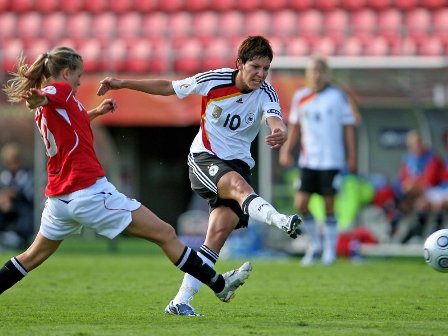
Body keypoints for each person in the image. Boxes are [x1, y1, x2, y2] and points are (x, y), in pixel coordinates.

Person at [0, 47, 252, 307]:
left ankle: (219, 285)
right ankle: (220, 286)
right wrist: (36, 99)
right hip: (88, 192)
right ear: (65, 72)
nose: (79, 81)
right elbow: (46, 95)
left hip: (58, 200)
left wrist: (96, 112)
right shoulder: (60, 90)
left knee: (30, 257)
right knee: (165, 233)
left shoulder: (63, 104)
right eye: (78, 75)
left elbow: (70, 122)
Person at [97, 35, 302, 316]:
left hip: (238, 164)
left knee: (217, 235)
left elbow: (274, 118)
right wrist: (123, 83)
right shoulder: (215, 79)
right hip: (205, 158)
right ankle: (280, 220)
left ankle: (180, 302)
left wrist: (280, 130)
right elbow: (168, 87)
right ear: (239, 63)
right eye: (255, 67)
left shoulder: (267, 93)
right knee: (239, 187)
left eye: (266, 68)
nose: (260, 74)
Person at [279, 55, 358, 266]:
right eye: (313, 71)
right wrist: (287, 150)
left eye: (320, 71)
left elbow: (348, 127)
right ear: (308, 74)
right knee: (301, 203)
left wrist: (352, 156)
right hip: (309, 160)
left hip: (332, 161)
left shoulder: (337, 97)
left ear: (326, 74)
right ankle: (316, 244)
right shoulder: (301, 97)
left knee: (329, 204)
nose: (316, 75)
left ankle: (330, 251)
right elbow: (295, 126)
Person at [398, 130, 443, 243]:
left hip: (434, 191)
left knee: (423, 203)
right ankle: (406, 230)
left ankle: (424, 234)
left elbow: (430, 180)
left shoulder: (431, 157)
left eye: (418, 142)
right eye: (413, 143)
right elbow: (402, 179)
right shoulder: (407, 159)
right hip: (415, 194)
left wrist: (414, 184)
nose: (416, 145)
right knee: (406, 196)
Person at [0, 142, 34, 249]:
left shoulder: (27, 174)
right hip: (6, 208)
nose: (13, 165)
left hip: (23, 206)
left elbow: (30, 194)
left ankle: (20, 238)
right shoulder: (4, 175)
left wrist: (13, 194)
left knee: (27, 214)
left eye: (15, 161)